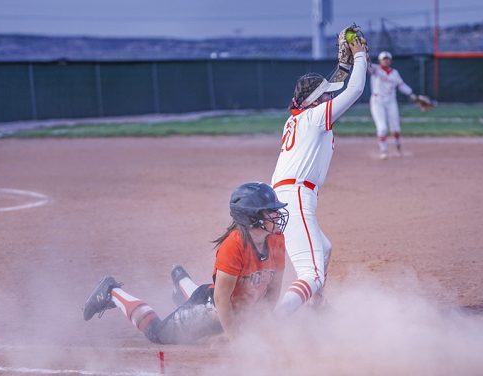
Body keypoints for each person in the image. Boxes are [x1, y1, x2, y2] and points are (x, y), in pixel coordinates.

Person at [82, 182, 289, 344]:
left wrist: (259, 326)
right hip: (211, 308)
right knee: (158, 335)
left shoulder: (277, 240)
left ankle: (181, 282)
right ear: (251, 217)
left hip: (233, 308)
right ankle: (111, 292)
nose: (277, 215)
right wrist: (234, 337)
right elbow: (221, 299)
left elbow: (272, 291)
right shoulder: (233, 246)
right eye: (269, 211)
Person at [270, 37, 368, 315]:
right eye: (325, 95)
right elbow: (356, 90)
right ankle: (275, 321)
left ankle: (316, 307)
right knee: (312, 275)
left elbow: (332, 88)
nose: (330, 98)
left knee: (323, 249)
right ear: (315, 101)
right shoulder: (314, 117)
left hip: (284, 195)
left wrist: (342, 68)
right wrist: (359, 57)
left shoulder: (300, 116)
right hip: (295, 196)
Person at [368, 51, 418, 160]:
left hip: (391, 101)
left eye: (387, 59)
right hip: (377, 101)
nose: (385, 60)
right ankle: (384, 150)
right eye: (383, 59)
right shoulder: (376, 70)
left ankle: (398, 148)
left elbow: (401, 85)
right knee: (382, 128)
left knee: (395, 127)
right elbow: (367, 65)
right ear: (380, 60)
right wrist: (362, 53)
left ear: (390, 60)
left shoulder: (395, 73)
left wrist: (411, 94)